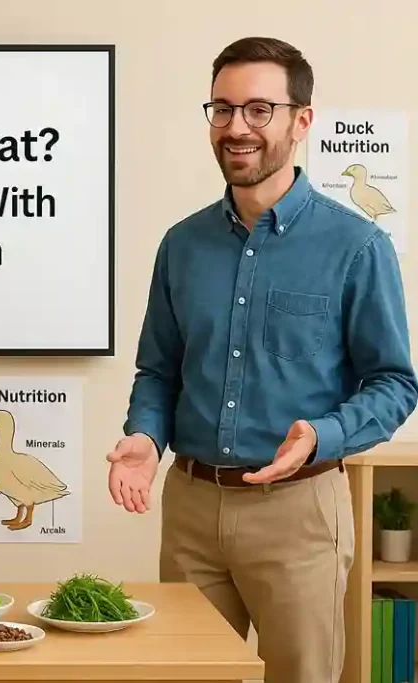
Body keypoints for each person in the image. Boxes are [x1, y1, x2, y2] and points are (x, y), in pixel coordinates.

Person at [107, 36, 418, 683]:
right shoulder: (182, 244)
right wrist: (143, 434)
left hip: (298, 513)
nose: (236, 127)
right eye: (221, 109)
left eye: (257, 109)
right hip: (191, 507)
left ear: (301, 120)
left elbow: (393, 383)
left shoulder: (357, 246)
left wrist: (321, 434)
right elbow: (160, 371)